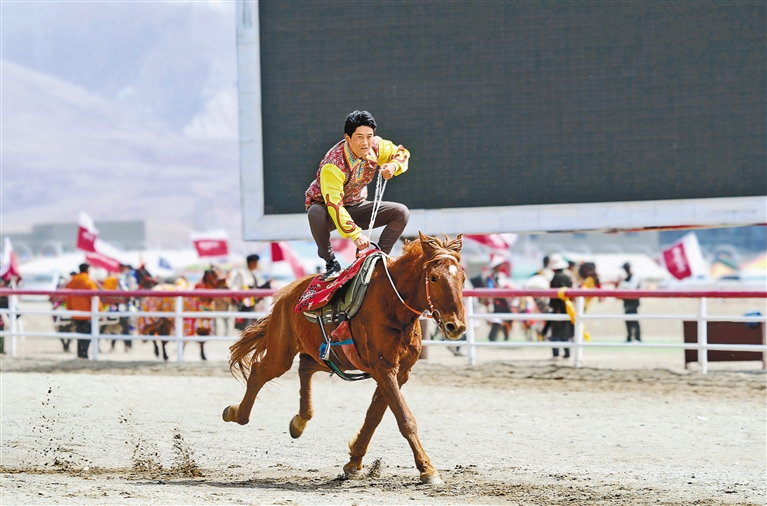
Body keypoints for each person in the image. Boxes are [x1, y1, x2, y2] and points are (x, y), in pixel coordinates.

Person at [306, 110, 410, 280]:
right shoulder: (333, 165)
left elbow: (402, 153)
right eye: (359, 137)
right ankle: (331, 263)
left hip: (356, 206)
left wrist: (393, 166)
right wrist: (355, 235)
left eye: (369, 136)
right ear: (347, 138)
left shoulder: (376, 146)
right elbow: (334, 205)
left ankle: (377, 260)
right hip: (329, 213)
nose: (366, 143)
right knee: (315, 212)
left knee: (401, 213)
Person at [472, 256, 513, 342]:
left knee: (505, 317)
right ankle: (494, 337)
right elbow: (490, 290)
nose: (501, 266)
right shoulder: (490, 277)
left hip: (499, 302)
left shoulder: (498, 276)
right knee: (496, 319)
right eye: (499, 265)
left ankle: (501, 335)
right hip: (493, 303)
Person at [65, 263, 99, 359]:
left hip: (75, 313)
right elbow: (94, 298)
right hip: (87, 313)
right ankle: (84, 353)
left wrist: (69, 309)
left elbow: (67, 297)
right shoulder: (89, 282)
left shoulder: (72, 282)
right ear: (87, 270)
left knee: (79, 334)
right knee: (88, 335)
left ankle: (80, 353)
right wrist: (99, 311)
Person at [231, 254, 271, 331]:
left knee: (251, 328)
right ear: (252, 263)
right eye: (256, 262)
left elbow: (255, 288)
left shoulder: (252, 274)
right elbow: (235, 289)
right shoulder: (241, 274)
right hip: (244, 306)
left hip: (252, 306)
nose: (257, 265)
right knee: (245, 328)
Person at [544, 254, 573, 359]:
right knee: (565, 332)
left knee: (555, 332)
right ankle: (567, 353)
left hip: (558, 308)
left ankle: (556, 354)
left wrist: (557, 308)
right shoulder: (567, 277)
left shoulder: (555, 278)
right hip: (567, 307)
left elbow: (556, 295)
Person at [618, 262, 641, 342]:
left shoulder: (634, 277)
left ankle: (637, 338)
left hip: (633, 302)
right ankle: (629, 338)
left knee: (634, 320)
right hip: (627, 302)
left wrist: (622, 283)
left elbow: (632, 287)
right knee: (628, 320)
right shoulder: (626, 278)